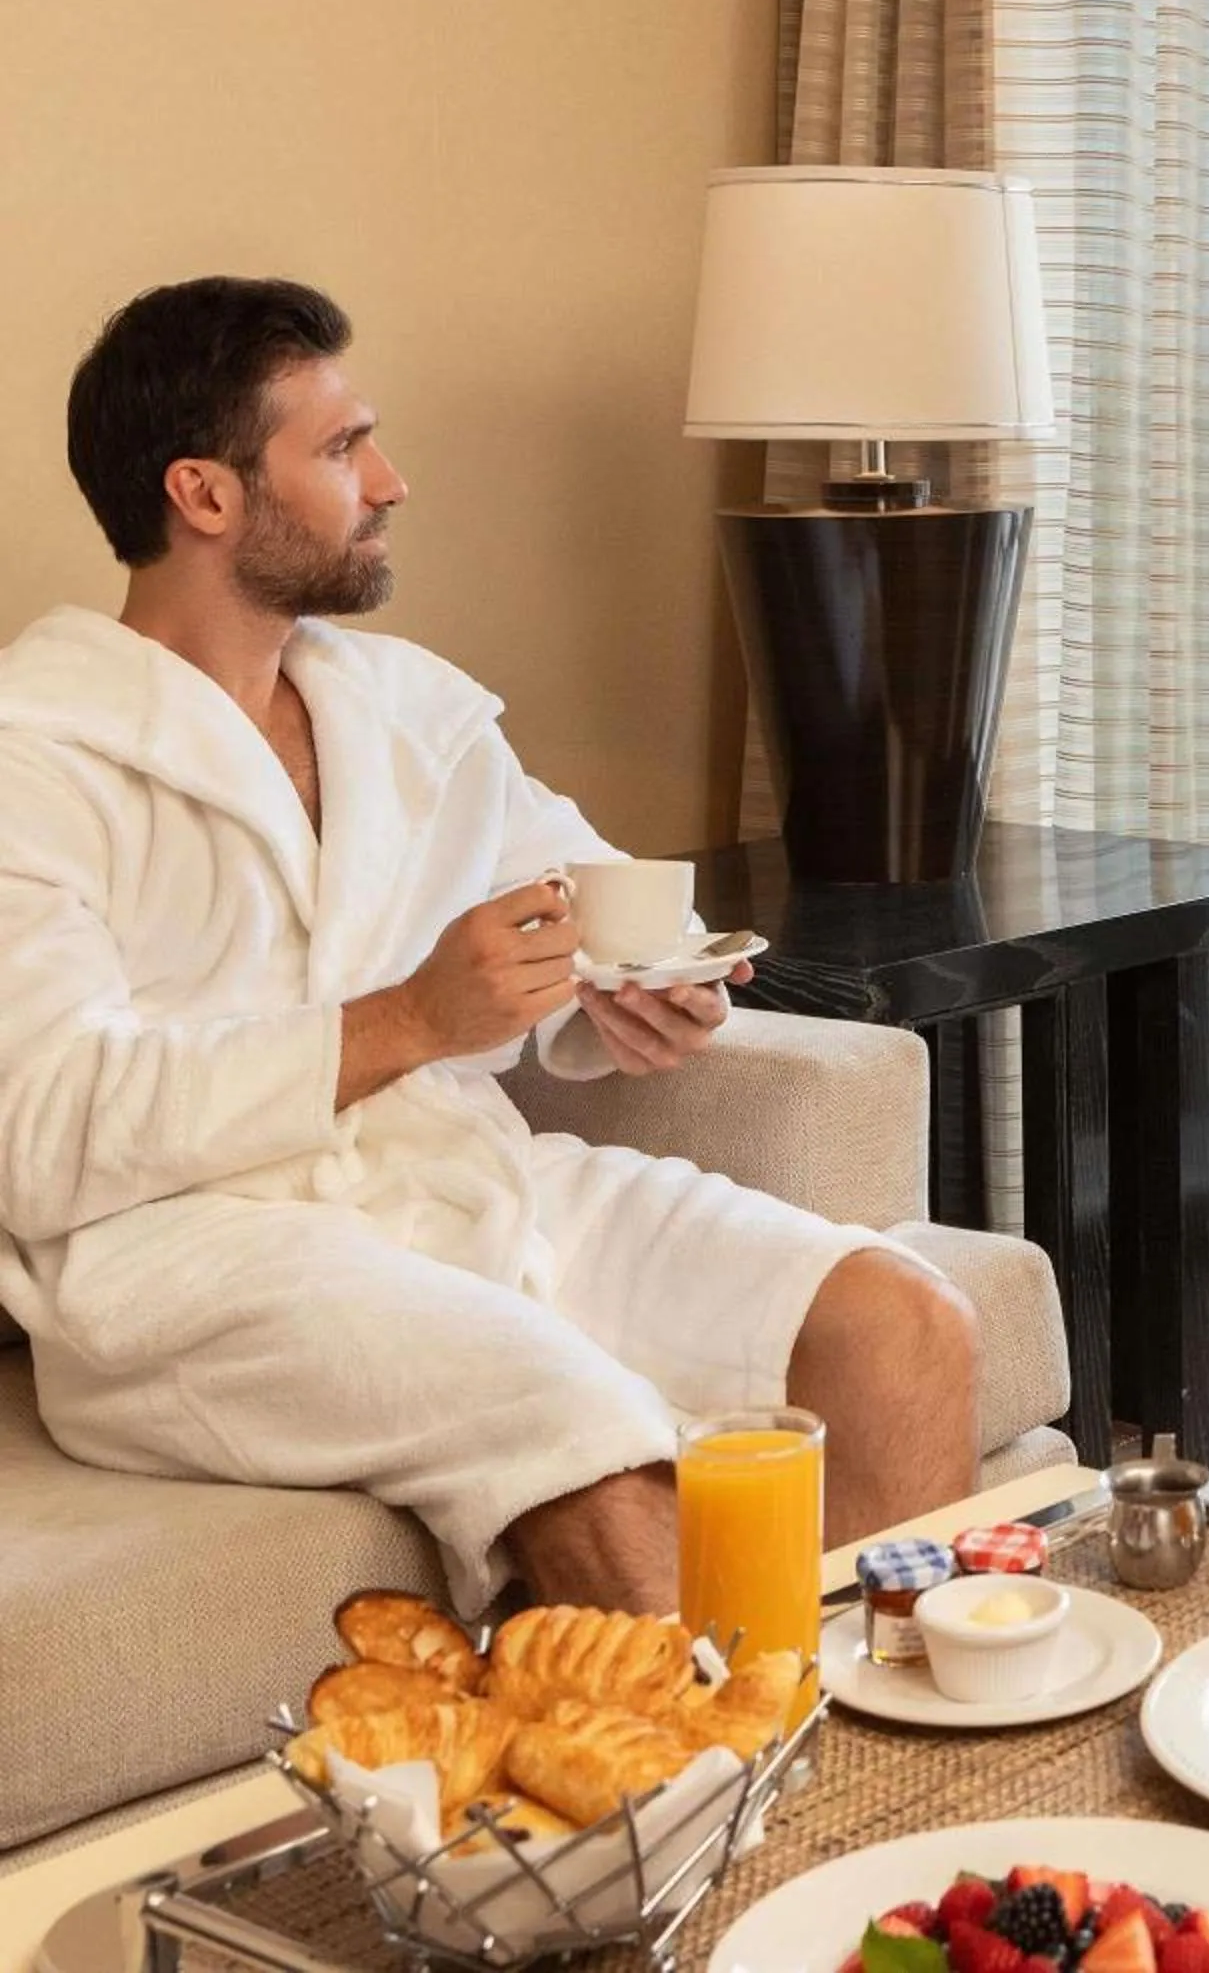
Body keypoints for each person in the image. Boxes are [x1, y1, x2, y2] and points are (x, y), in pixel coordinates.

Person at [0, 277, 983, 1620]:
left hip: (458, 1188)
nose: (391, 480)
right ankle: (714, 1807)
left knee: (897, 1321)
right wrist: (405, 1021)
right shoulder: (36, 755)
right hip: (191, 1262)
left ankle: (890, 1778)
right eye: (342, 449)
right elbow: (39, 1126)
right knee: (585, 1429)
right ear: (206, 496)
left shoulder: (407, 711)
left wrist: (634, 994)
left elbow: (578, 899)